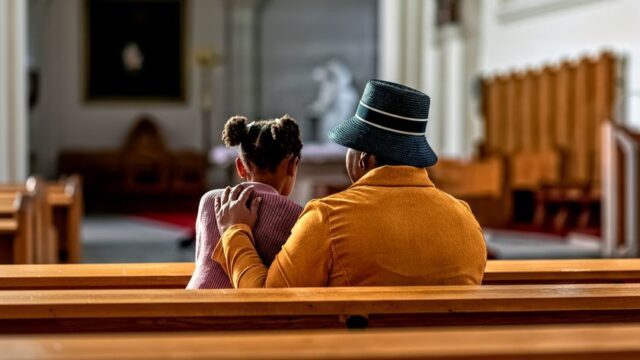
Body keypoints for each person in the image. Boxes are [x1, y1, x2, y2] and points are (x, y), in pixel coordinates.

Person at [213, 80, 487, 288]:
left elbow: (267, 302)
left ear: (363, 159)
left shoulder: (327, 217)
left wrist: (234, 231)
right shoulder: (466, 219)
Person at [186, 115, 304, 289]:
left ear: (240, 167)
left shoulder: (210, 200)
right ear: (292, 166)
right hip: (242, 310)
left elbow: (202, 262)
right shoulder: (297, 216)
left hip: (194, 301)